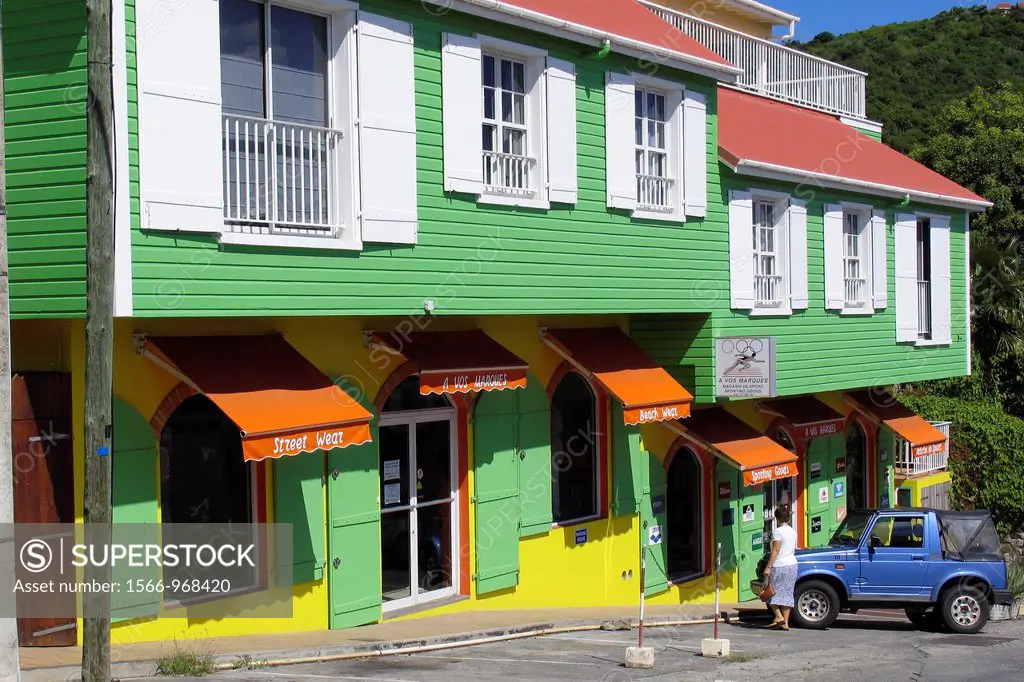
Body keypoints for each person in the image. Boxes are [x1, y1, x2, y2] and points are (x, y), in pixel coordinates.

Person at [763, 504, 798, 631]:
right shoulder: (793, 531)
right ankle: (785, 623)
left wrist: (768, 566)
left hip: (780, 565)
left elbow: (776, 550)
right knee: (787, 594)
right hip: (792, 564)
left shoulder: (777, 532)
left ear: (777, 519)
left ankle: (778, 616)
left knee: (769, 591)